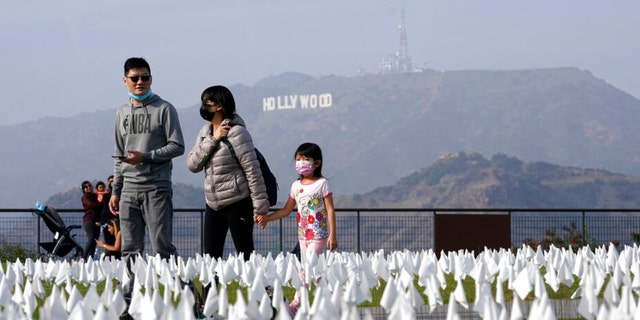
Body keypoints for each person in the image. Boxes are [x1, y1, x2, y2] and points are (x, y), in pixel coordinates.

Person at [108, 57, 185, 318]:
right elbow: (118, 155)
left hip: (156, 187)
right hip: (128, 188)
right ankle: (129, 304)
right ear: (125, 81)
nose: (140, 82)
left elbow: (178, 146)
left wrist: (146, 157)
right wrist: (115, 190)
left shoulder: (164, 109)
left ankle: (183, 297)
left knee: (162, 246)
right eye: (135, 78)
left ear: (151, 79)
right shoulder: (120, 113)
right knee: (130, 249)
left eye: (145, 77)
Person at [186, 85, 270, 262]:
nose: (203, 106)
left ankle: (259, 288)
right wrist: (213, 139)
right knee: (210, 256)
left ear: (219, 106)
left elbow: (252, 170)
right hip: (213, 203)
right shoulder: (205, 132)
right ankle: (210, 291)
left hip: (238, 201)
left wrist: (260, 207)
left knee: (245, 252)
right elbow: (193, 164)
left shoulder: (237, 133)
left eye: (206, 102)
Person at [256, 142, 338, 316]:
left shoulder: (322, 184)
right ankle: (331, 296)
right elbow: (286, 210)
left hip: (318, 235)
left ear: (317, 163)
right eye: (298, 159)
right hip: (303, 236)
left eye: (305, 159)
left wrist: (332, 234)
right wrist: (268, 218)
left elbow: (330, 209)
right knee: (312, 271)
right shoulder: (296, 186)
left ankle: (296, 305)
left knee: (306, 270)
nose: (301, 163)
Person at [80, 180, 101, 260]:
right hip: (89, 219)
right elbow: (91, 205)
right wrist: (99, 201)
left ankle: (90, 258)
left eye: (89, 186)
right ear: (83, 189)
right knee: (91, 238)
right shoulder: (85, 197)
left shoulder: (95, 196)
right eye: (86, 187)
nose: (88, 187)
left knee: (95, 240)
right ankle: (84, 257)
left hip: (97, 220)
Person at [99, 175, 118, 258]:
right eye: (111, 181)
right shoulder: (106, 196)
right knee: (109, 241)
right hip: (107, 222)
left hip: (117, 222)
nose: (112, 183)